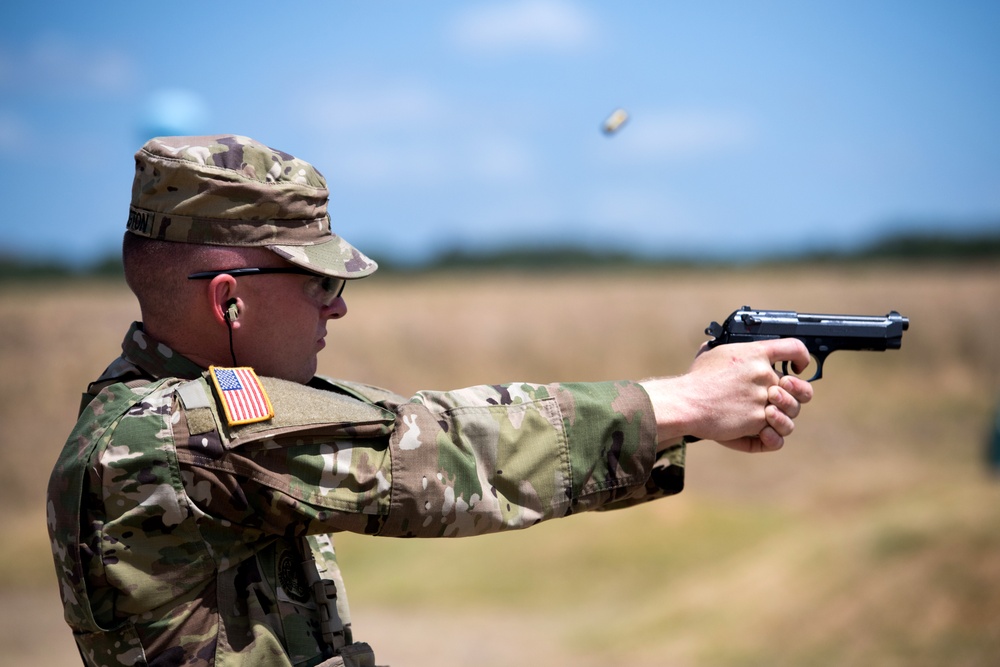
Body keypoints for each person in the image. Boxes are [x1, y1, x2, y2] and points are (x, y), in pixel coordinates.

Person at [47, 134, 813, 667]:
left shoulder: (144, 411)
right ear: (229, 301)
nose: (336, 307)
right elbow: (439, 448)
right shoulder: (180, 437)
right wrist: (679, 401)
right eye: (320, 282)